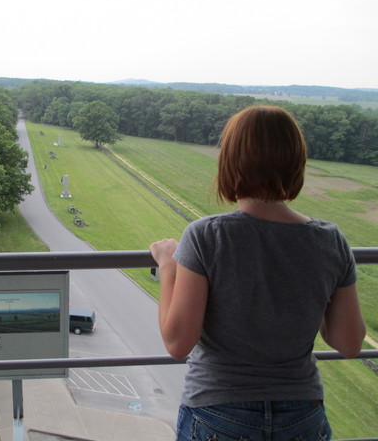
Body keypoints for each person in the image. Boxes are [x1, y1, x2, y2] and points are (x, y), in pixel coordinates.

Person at [149, 105, 366, 441]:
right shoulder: (330, 240)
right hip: (302, 416)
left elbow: (177, 343)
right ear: (297, 163)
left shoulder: (207, 235)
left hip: (219, 413)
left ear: (231, 162)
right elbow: (349, 343)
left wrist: (168, 267)